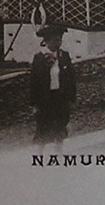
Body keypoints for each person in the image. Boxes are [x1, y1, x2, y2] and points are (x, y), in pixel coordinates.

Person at [28, 23, 77, 151]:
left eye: (60, 40)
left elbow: (71, 79)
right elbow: (34, 82)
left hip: (60, 97)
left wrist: (71, 99)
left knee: (61, 125)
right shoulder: (39, 58)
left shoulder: (64, 56)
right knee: (43, 126)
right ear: (47, 41)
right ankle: (39, 153)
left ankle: (58, 150)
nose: (58, 43)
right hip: (45, 99)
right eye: (55, 40)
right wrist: (34, 104)